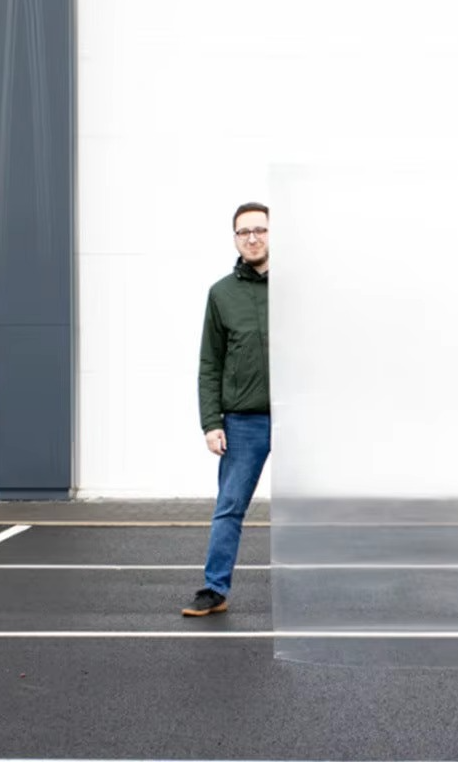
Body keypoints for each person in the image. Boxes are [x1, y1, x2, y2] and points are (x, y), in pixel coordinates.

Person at [182, 202, 271, 616]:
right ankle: (214, 589)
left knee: (319, 507)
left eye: (260, 230)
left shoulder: (299, 289)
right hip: (244, 420)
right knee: (230, 506)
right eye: (244, 232)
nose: (252, 238)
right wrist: (211, 422)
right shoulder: (222, 294)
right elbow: (210, 363)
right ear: (235, 239)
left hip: (297, 418)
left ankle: (329, 591)